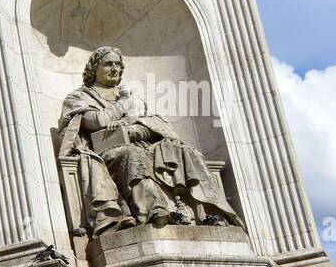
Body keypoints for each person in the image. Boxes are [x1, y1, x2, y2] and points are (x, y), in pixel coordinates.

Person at [57, 46, 241, 234]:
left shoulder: (133, 98)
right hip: (107, 152)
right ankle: (153, 210)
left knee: (184, 151)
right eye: (108, 64)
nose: (115, 68)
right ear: (94, 68)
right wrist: (123, 105)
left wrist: (132, 129)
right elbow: (98, 121)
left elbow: (154, 124)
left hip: (145, 146)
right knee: (132, 154)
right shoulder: (80, 97)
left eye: (118, 64)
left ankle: (209, 212)